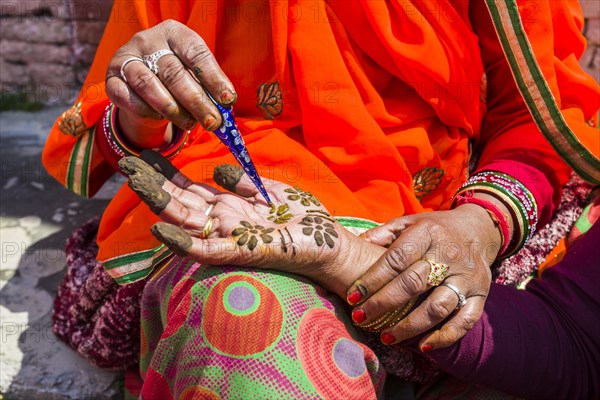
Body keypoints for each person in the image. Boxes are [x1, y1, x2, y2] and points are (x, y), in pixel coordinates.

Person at [42, 0, 599, 398]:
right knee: (241, 321)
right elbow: (116, 138)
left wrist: (478, 226)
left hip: (432, 206)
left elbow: (539, 115)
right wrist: (145, 102)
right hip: (233, 204)